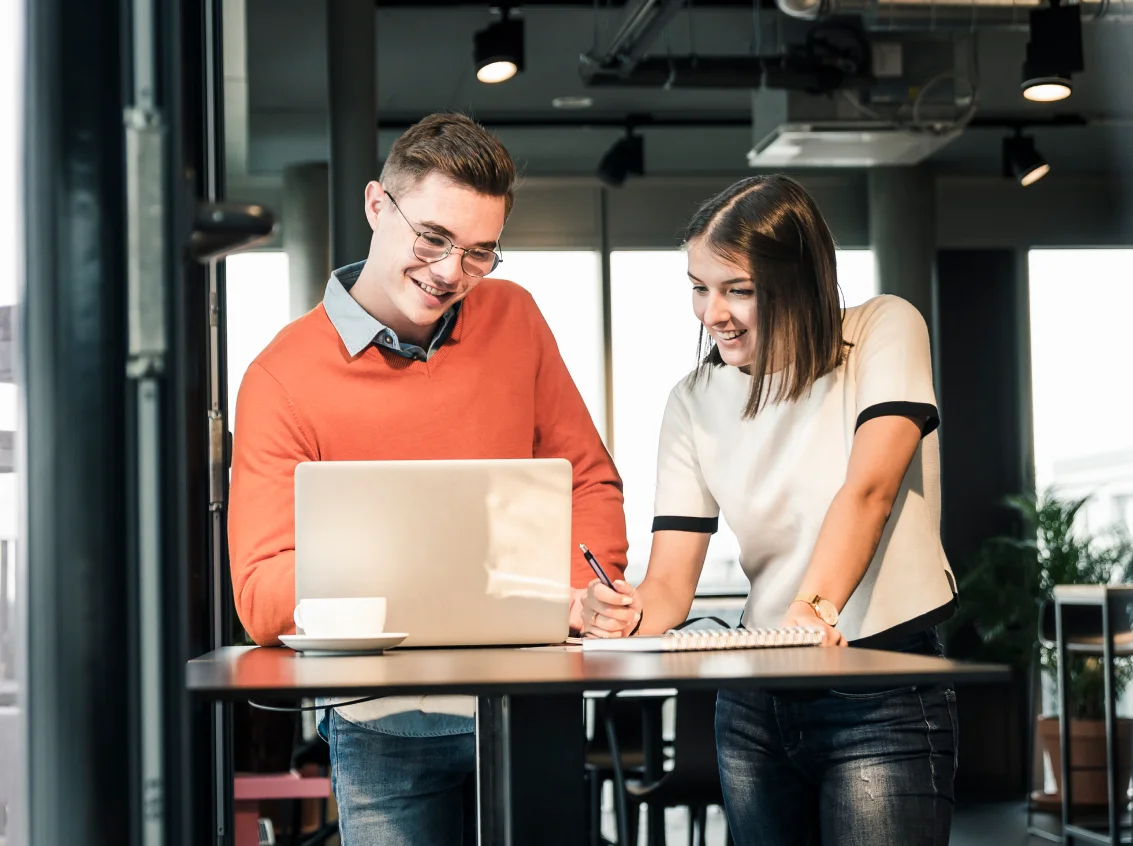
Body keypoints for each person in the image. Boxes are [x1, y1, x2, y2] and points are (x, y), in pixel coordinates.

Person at [228, 112, 628, 845]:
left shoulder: (516, 317)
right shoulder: (280, 377)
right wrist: (423, 579)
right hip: (383, 725)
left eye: (480, 253)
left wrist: (578, 592)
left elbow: (589, 483)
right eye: (433, 239)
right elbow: (259, 596)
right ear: (377, 205)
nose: (451, 273)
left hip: (527, 704)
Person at [581, 174, 959, 845]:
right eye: (698, 287)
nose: (710, 313)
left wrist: (811, 609)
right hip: (755, 701)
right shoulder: (692, 400)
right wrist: (625, 612)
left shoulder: (882, 329)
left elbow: (867, 490)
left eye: (737, 290)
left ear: (798, 282)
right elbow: (670, 584)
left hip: (877, 688)